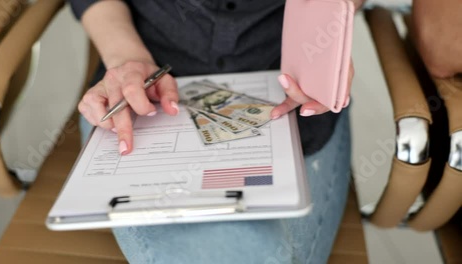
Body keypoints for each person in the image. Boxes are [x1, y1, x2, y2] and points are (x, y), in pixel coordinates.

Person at [68, 0, 461, 263]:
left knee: (241, 249)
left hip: (291, 97)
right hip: (143, 90)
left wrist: (327, 28)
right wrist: (126, 57)